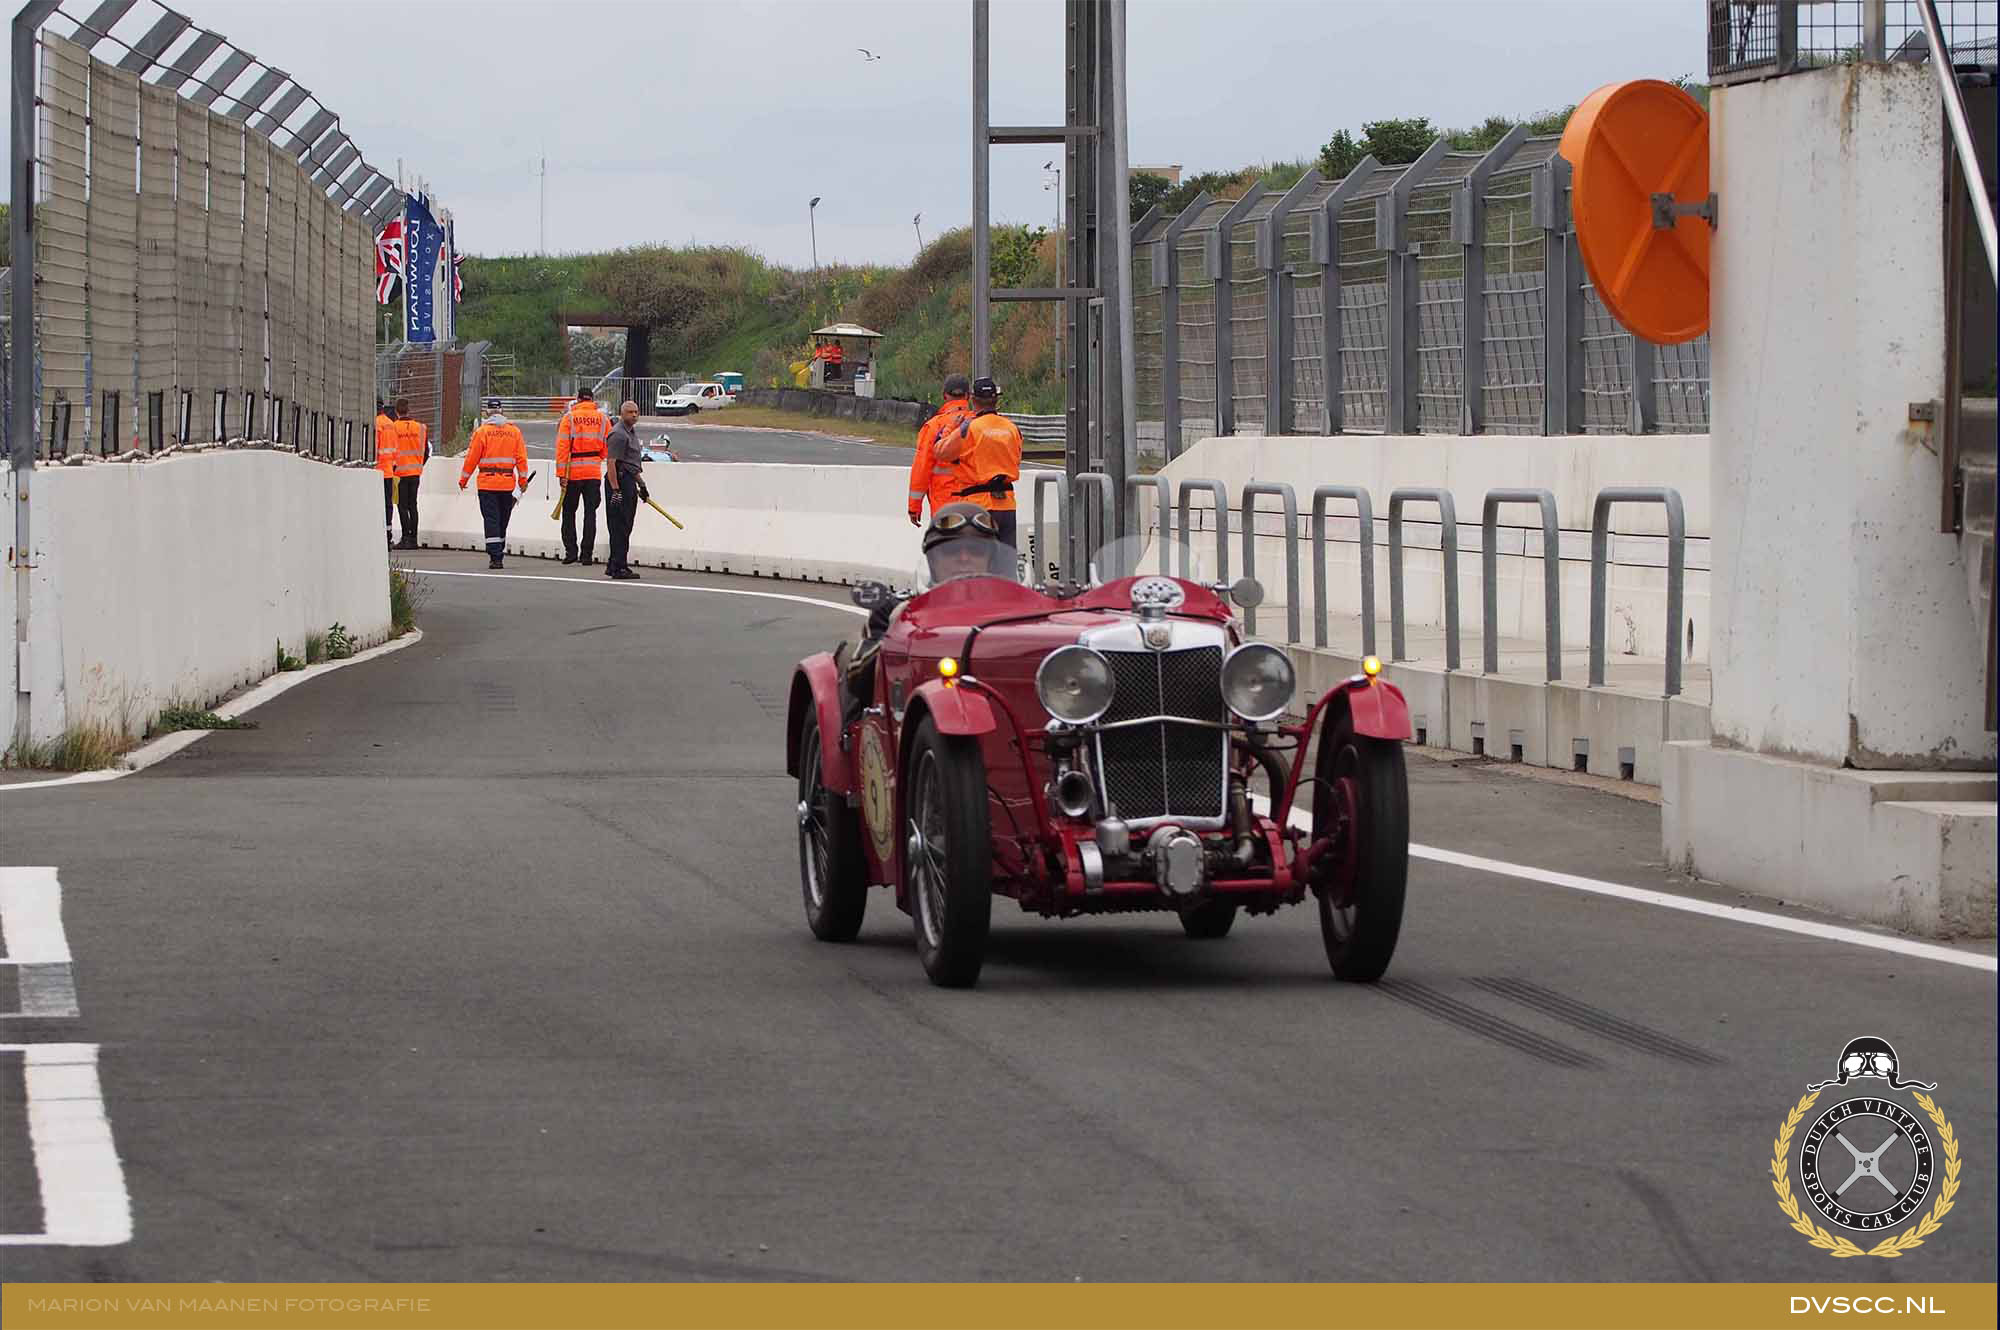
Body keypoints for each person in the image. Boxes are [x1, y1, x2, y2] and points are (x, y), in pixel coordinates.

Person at [843, 502, 1012, 713]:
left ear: (991, 560)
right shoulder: (896, 609)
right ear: (933, 560)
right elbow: (856, 681)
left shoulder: (1013, 613)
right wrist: (895, 633)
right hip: (911, 717)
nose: (964, 558)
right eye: (951, 550)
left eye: (976, 550)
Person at [933, 376, 1022, 551]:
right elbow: (1016, 458)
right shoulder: (1012, 428)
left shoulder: (969, 428)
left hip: (978, 505)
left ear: (973, 399)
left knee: (978, 560)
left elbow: (940, 451)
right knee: (1005, 560)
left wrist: (950, 428)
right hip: (1007, 505)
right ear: (996, 400)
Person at [458, 397, 530, 568]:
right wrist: (523, 480)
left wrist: (463, 479)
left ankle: (495, 556)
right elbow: (521, 458)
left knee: (491, 520)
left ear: (487, 413)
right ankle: (499, 549)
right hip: (507, 484)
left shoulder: (482, 432)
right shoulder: (514, 432)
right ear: (502, 411)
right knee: (503, 519)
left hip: (487, 484)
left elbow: (472, 458)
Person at [906, 373, 974, 526]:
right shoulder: (979, 423)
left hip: (944, 503)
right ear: (968, 396)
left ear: (944, 395)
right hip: (978, 502)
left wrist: (914, 506)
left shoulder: (933, 426)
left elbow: (922, 468)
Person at [554, 391, 609, 565]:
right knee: (590, 513)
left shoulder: (569, 418)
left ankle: (571, 552)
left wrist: (561, 474)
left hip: (573, 473)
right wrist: (596, 458)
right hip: (593, 472)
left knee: (569, 512)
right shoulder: (603, 419)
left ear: (577, 399)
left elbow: (562, 448)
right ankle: (586, 555)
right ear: (592, 400)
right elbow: (607, 447)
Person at [603, 399, 649, 581]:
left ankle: (615, 563)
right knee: (619, 527)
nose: (634, 415)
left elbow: (630, 464)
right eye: (630, 412)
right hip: (619, 482)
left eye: (636, 412)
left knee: (626, 525)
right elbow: (612, 464)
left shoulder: (631, 433)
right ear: (622, 414)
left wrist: (642, 485)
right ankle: (618, 566)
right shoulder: (618, 434)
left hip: (628, 480)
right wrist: (615, 490)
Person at [388, 397, 429, 549]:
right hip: (415, 473)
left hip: (399, 473)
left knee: (402, 506)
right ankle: (414, 538)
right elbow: (426, 451)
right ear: (408, 410)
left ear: (396, 411)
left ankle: (406, 538)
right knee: (413, 505)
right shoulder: (420, 428)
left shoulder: (393, 428)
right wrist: (419, 465)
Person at [375, 399, 400, 549]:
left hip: (377, 471)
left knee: (378, 505)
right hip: (389, 471)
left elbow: (374, 448)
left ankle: (379, 535)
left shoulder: (376, 424)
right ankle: (388, 534)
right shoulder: (391, 424)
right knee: (388, 504)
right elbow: (395, 449)